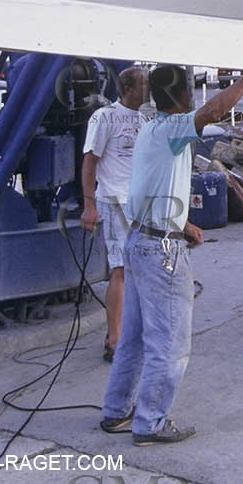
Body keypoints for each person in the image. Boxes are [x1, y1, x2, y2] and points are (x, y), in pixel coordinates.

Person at [100, 65, 243, 445]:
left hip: (140, 238)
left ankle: (117, 411)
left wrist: (181, 224)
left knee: (135, 337)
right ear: (184, 95)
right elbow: (213, 112)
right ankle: (151, 423)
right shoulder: (172, 128)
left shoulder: (151, 129)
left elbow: (152, 184)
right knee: (169, 342)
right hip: (159, 251)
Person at [81, 66, 149, 362]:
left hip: (140, 203)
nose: (149, 88)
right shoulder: (105, 117)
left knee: (142, 270)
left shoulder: (145, 119)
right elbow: (89, 162)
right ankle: (114, 338)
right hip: (113, 200)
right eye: (144, 83)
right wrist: (89, 206)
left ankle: (135, 331)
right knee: (120, 269)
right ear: (129, 88)